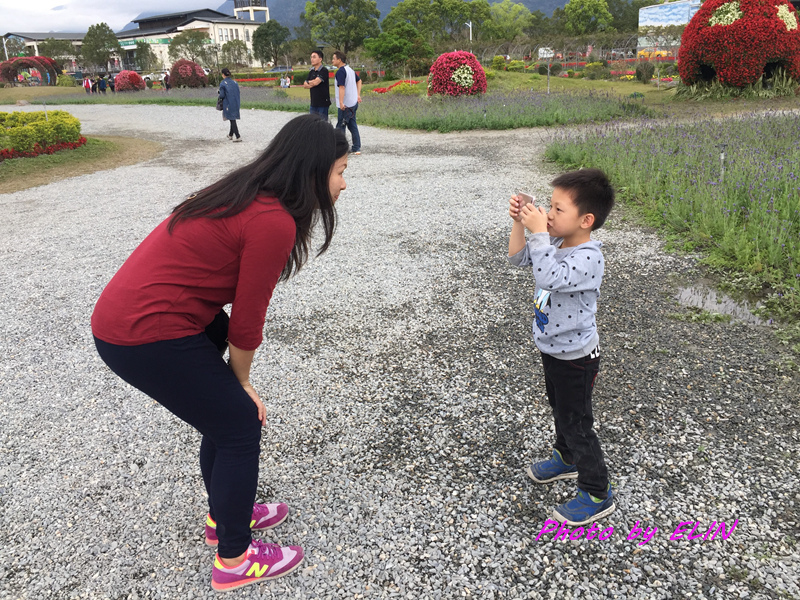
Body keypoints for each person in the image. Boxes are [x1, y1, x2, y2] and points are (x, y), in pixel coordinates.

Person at [92, 114, 349, 592]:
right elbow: (249, 322)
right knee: (238, 423)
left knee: (225, 417)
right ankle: (233, 557)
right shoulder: (272, 221)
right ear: (312, 173)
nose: (344, 184)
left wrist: (233, 384)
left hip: (144, 316)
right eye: (340, 170)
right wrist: (243, 382)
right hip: (145, 329)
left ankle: (222, 515)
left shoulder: (246, 189)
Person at [507, 169, 616, 526]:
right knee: (561, 410)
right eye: (548, 206)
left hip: (577, 359)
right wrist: (521, 223)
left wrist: (539, 232)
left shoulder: (588, 257)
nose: (549, 215)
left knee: (577, 421)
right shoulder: (553, 243)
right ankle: (566, 458)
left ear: (586, 220)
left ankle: (597, 491)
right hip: (552, 350)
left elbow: (548, 276)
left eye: (557, 209)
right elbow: (518, 258)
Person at [331, 51, 362, 155]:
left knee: (340, 125)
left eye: (334, 58)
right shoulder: (350, 70)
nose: (332, 60)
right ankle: (356, 147)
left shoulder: (341, 71)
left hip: (346, 104)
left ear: (339, 60)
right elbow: (359, 80)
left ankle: (340, 149)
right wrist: (358, 95)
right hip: (353, 103)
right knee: (352, 125)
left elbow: (342, 87)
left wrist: (340, 102)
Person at [303, 50, 331, 120]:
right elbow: (305, 85)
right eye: (311, 57)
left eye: (314, 57)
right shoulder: (311, 72)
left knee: (322, 124)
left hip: (323, 103)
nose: (312, 59)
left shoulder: (324, 70)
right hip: (313, 103)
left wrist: (311, 82)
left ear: (320, 59)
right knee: (313, 124)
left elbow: (316, 82)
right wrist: (312, 82)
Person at [219, 68, 242, 142]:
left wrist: (219, 93)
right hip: (236, 102)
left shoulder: (223, 83)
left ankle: (238, 136)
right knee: (232, 118)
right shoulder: (235, 82)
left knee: (232, 119)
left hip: (228, 103)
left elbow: (222, 95)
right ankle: (230, 135)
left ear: (223, 74)